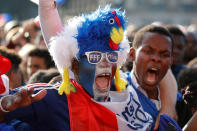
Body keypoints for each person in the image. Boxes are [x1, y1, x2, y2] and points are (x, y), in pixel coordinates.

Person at [0, 1, 177, 131]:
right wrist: (5, 106)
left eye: (111, 56)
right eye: (94, 56)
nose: (105, 63)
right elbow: (10, 107)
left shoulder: (132, 93)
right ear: (75, 65)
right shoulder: (53, 99)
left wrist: (167, 109)